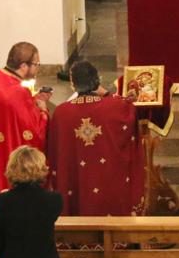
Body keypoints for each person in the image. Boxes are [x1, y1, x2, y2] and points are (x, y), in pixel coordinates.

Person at [47, 61, 145, 216]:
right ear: (97, 80)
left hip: (78, 186)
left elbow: (54, 149)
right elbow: (129, 110)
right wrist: (108, 94)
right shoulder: (115, 107)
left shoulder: (61, 113)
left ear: (73, 84)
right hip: (109, 185)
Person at [0, 41, 50, 190]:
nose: (38, 69)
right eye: (36, 64)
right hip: (8, 154)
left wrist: (33, 99)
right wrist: (43, 111)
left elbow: (11, 112)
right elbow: (35, 132)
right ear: (23, 66)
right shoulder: (18, 92)